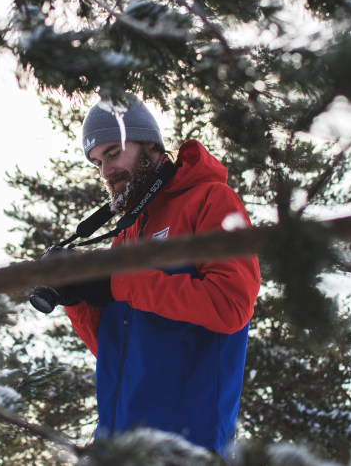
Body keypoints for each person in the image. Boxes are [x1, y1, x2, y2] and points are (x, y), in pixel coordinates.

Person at [60, 96, 261, 457]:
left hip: (186, 445)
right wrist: (75, 298)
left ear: (150, 143)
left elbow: (231, 305)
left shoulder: (211, 199)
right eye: (96, 162)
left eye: (113, 152)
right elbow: (122, 350)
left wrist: (117, 284)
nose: (105, 171)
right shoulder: (128, 230)